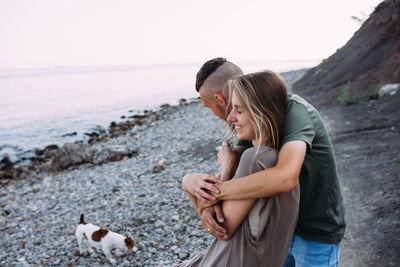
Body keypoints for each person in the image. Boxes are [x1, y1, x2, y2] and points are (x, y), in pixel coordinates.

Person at [183, 58, 346, 267]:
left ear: (219, 99)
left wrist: (215, 193)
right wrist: (204, 204)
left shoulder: (294, 112)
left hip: (315, 231)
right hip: (282, 229)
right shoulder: (251, 123)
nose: (229, 116)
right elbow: (240, 181)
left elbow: (285, 177)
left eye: (208, 107)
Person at [180, 70, 299, 267]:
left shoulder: (256, 159)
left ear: (260, 112)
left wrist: (227, 167)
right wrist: (189, 183)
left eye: (239, 110)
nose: (230, 117)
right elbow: (210, 206)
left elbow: (220, 227)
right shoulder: (273, 155)